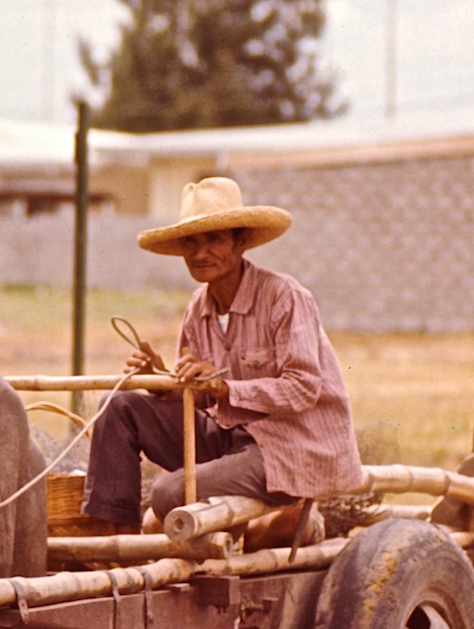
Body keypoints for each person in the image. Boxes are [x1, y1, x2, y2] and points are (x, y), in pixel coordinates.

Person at [82, 177, 361, 549]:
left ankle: (284, 523)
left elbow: (303, 387)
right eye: (191, 242)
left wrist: (224, 387)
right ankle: (116, 550)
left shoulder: (285, 297)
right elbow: (200, 397)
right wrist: (160, 382)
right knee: (119, 405)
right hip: (232, 438)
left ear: (240, 241)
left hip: (290, 449)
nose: (200, 253)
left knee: (168, 494)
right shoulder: (198, 308)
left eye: (214, 239)